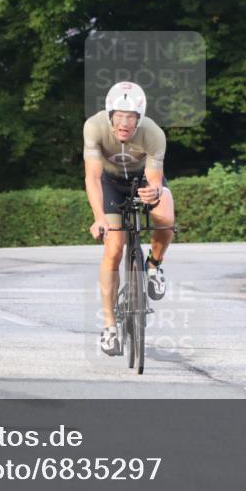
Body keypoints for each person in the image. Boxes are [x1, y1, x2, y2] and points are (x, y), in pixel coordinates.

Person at [83, 81, 175, 357]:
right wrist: (99, 217)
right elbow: (92, 177)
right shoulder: (94, 127)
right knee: (113, 248)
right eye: (119, 117)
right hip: (110, 183)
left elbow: (156, 179)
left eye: (131, 118)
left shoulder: (154, 134)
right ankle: (110, 326)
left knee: (165, 218)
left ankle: (154, 265)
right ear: (110, 115)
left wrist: (154, 192)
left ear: (139, 118)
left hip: (142, 180)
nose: (124, 123)